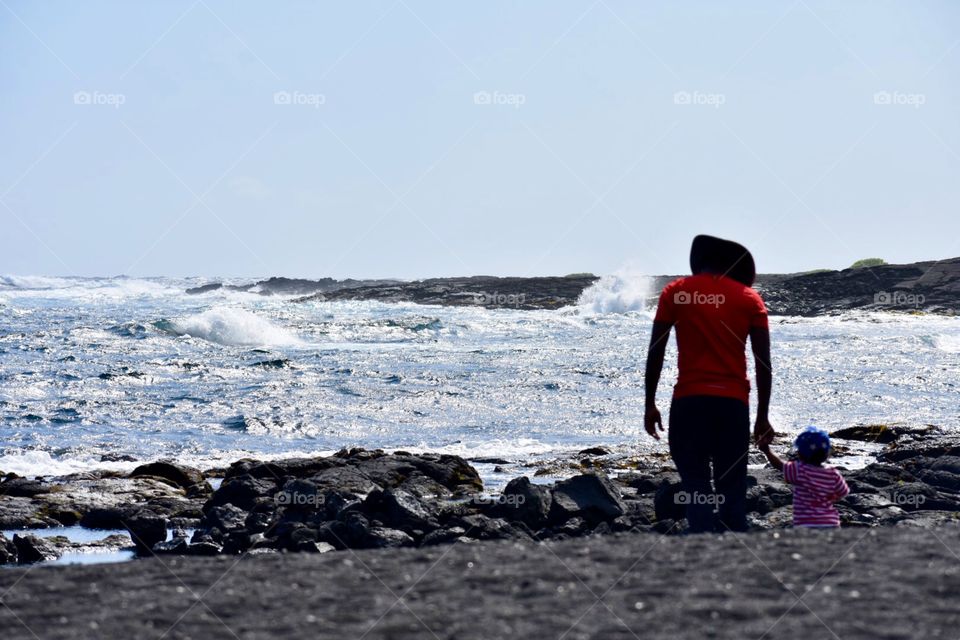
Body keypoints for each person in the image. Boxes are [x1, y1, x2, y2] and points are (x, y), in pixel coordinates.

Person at [644, 235, 774, 533]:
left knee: (696, 482)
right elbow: (763, 363)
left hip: (689, 402)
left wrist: (650, 403)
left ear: (698, 262)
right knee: (732, 487)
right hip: (733, 405)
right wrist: (762, 416)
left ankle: (703, 552)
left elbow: (656, 351)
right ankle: (739, 558)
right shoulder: (748, 298)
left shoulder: (676, 293)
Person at [758, 427, 850, 528]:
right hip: (830, 523)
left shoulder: (799, 470)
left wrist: (767, 450)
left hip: (805, 523)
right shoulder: (833, 473)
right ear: (826, 454)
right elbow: (843, 492)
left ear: (800, 453)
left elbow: (779, 465)